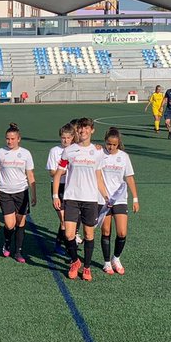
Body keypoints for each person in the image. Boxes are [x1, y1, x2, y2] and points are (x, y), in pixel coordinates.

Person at [52, 118, 110, 281]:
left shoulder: (98, 152)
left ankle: (86, 268)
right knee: (69, 234)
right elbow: (57, 175)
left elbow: (98, 176)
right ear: (77, 131)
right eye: (80, 129)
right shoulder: (69, 151)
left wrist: (106, 196)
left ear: (92, 130)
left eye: (86, 128)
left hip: (90, 200)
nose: (83, 131)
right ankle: (75, 261)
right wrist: (56, 196)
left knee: (89, 234)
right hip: (71, 198)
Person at [97, 128, 139, 276]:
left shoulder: (124, 157)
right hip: (103, 199)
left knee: (122, 232)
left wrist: (135, 198)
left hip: (120, 198)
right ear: (105, 142)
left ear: (118, 144)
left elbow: (129, 178)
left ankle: (116, 258)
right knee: (106, 231)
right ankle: (106, 262)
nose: (111, 147)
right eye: (108, 144)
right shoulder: (100, 154)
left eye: (114, 145)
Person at [0, 123, 36, 262]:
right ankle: (6, 242)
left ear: (18, 139)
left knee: (20, 222)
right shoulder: (0, 152)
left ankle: (18, 251)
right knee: (9, 224)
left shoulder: (25, 153)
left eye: (12, 139)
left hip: (21, 192)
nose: (9, 141)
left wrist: (33, 194)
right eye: (7, 138)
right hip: (4, 191)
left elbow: (30, 174)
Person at [47, 122, 75, 255]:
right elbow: (52, 172)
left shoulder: (76, 150)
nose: (66, 140)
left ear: (73, 138)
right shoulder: (54, 151)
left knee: (69, 219)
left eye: (68, 138)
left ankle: (63, 242)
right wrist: (64, 171)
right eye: (63, 137)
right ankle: (62, 245)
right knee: (63, 219)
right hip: (58, 186)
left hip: (72, 186)